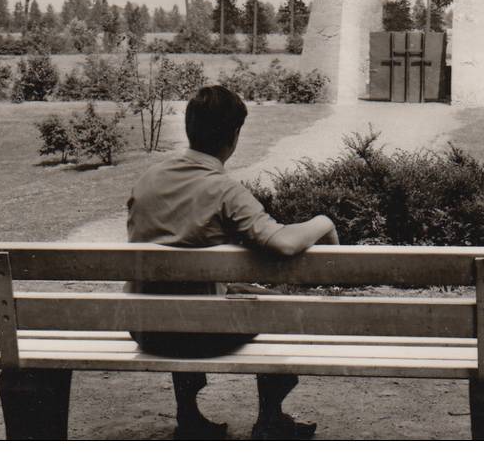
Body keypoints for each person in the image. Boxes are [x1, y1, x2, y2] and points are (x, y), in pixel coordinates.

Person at [126, 85, 338, 440]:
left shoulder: (147, 181)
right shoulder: (224, 191)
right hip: (201, 335)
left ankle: (189, 416)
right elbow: (283, 243)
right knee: (282, 309)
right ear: (234, 135)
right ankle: (270, 417)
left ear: (189, 128)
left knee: (185, 297)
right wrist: (323, 222)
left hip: (146, 326)